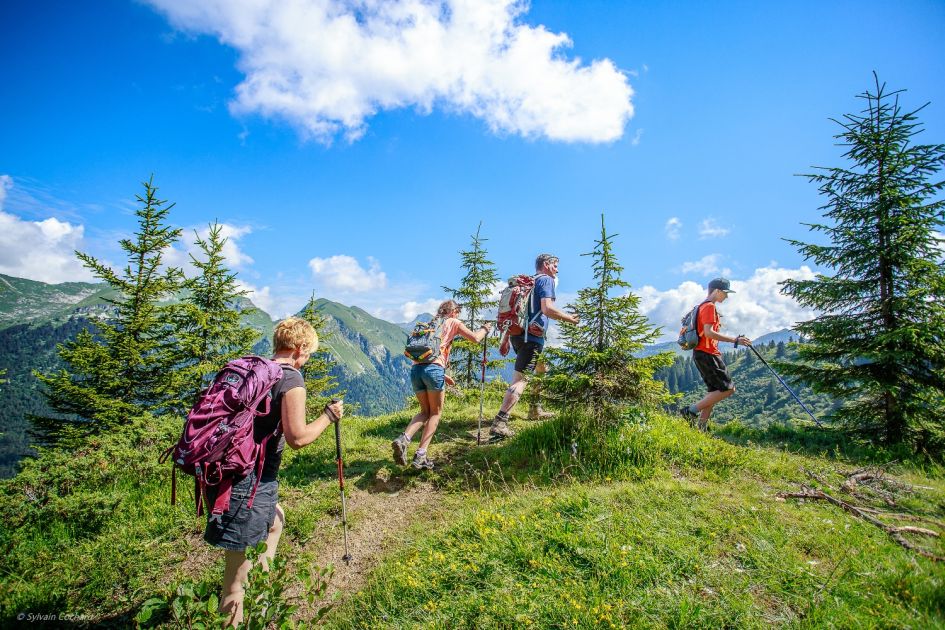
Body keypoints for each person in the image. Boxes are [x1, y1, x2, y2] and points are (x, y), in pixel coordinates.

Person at [204, 317, 344, 626]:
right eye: (308, 353)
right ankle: (240, 613)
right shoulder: (290, 379)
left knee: (276, 520)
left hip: (234, 474)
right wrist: (328, 417)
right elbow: (298, 438)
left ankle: (263, 603)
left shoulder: (258, 370)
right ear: (298, 348)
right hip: (247, 482)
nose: (307, 359)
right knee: (234, 585)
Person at [392, 300, 492, 469]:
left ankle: (404, 439)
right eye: (458, 312)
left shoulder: (431, 324)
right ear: (454, 311)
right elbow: (475, 339)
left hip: (416, 371)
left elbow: (428, 355)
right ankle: (421, 455)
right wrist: (485, 329)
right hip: (433, 371)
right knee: (435, 413)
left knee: (424, 411)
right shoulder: (453, 322)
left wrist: (443, 375)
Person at [489, 253, 579, 439]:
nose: (557, 269)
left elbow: (515, 314)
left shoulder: (528, 283)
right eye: (555, 265)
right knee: (520, 379)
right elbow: (547, 309)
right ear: (546, 265)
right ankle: (500, 422)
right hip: (532, 338)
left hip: (518, 335)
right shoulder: (545, 280)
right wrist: (569, 318)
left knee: (541, 367)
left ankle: (535, 409)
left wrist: (505, 339)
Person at [681, 278, 752, 431]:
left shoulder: (701, 306)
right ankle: (690, 411)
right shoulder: (709, 307)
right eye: (725, 293)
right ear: (717, 291)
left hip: (700, 353)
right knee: (728, 389)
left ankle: (702, 427)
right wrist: (736, 340)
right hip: (708, 354)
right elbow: (709, 333)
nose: (726, 297)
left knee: (714, 392)